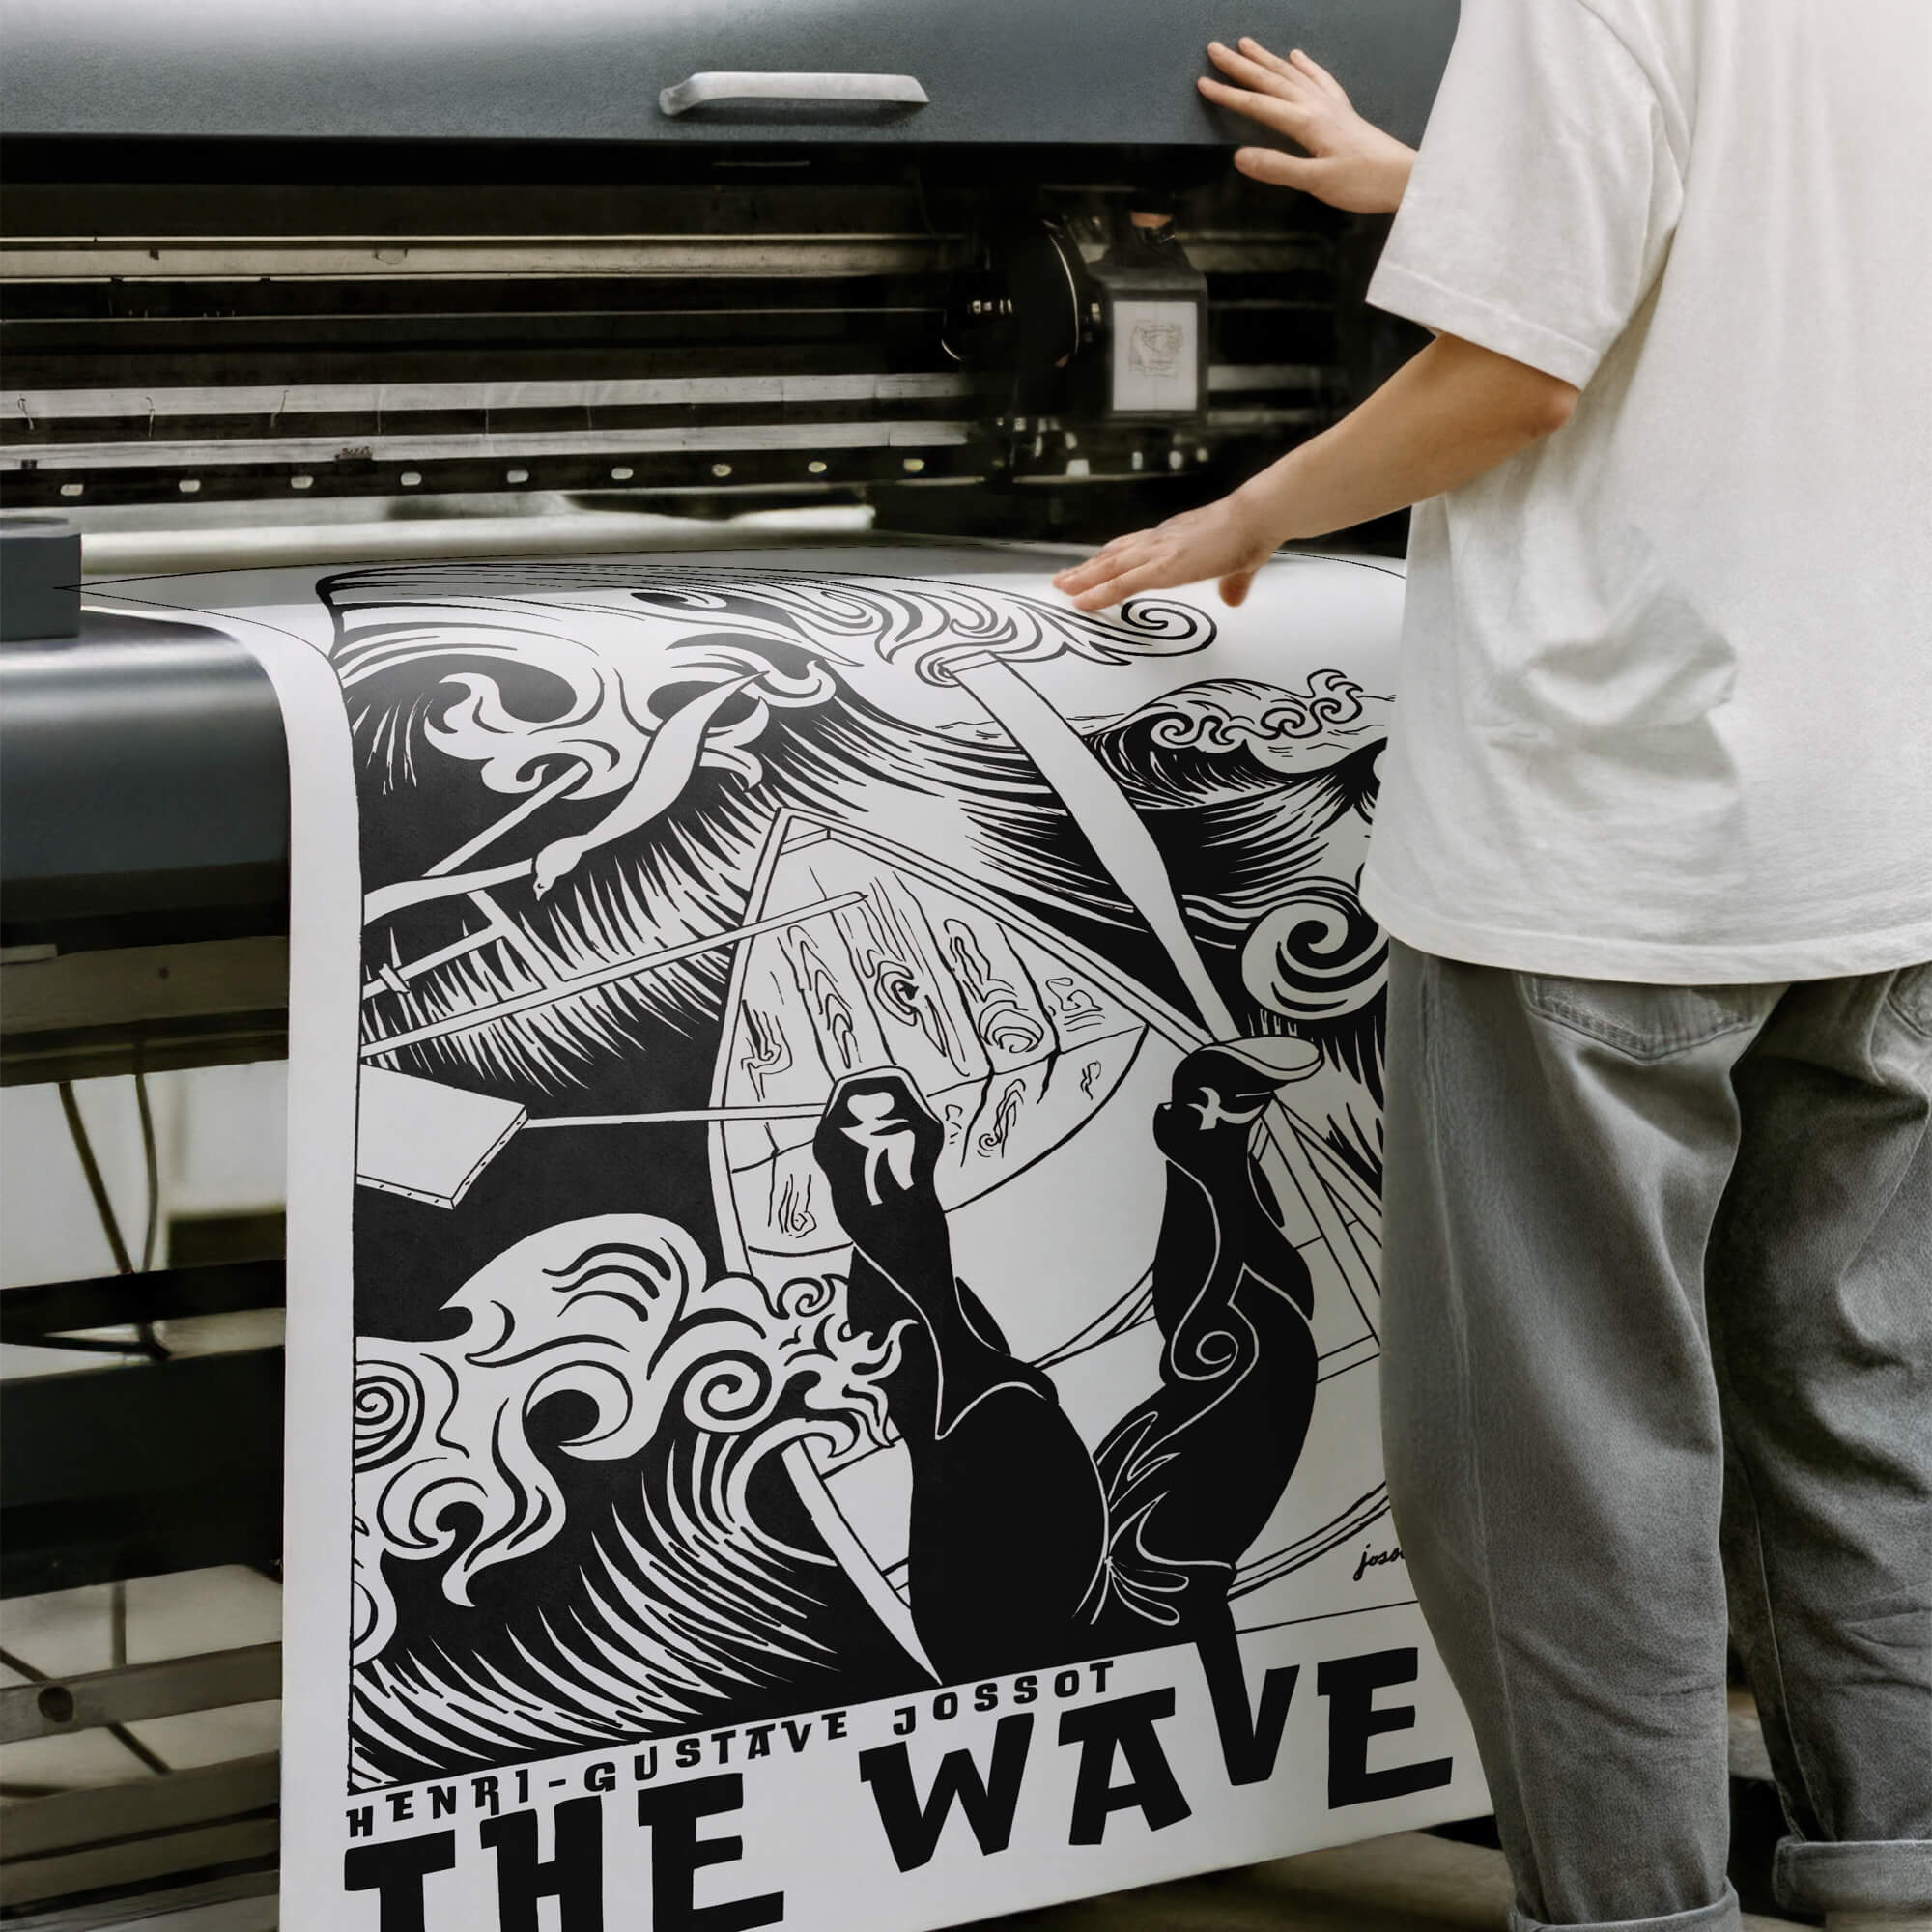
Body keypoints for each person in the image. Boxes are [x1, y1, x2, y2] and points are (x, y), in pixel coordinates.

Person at [1054, 8, 1932, 1931]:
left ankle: (1632, 1909)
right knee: (1851, 1377)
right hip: (1877, 812)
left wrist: (1251, 508)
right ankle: (1893, 1859)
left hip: (1610, 837)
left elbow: (1515, 381)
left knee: (1566, 1440)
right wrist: (1437, 191)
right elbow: (1777, 235)